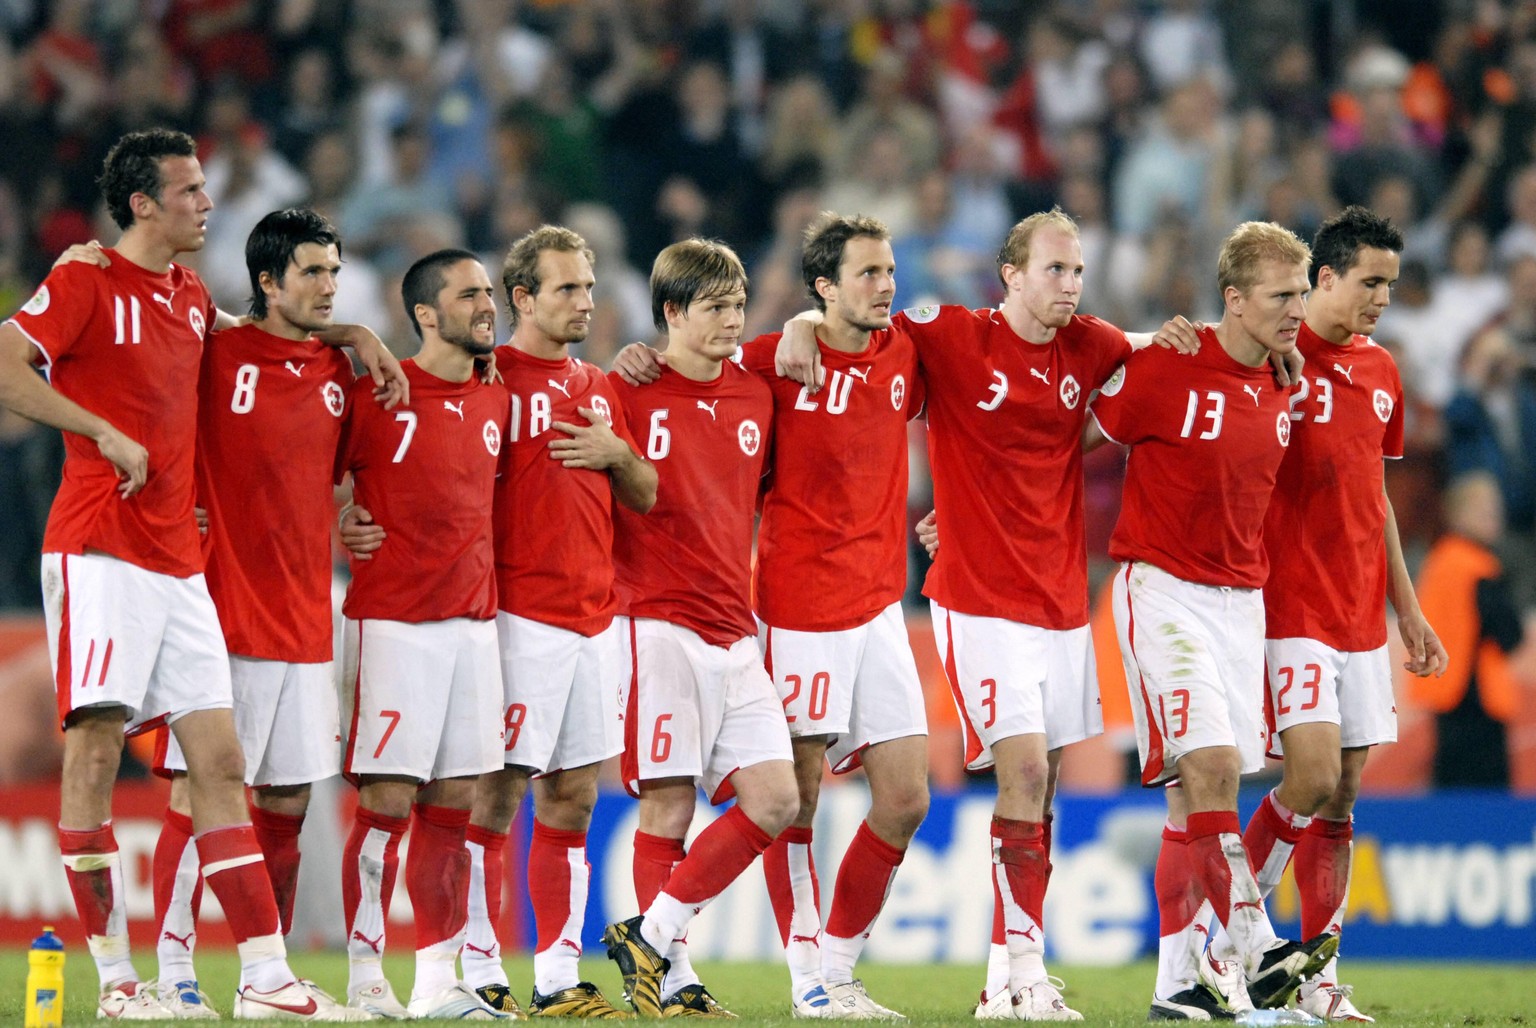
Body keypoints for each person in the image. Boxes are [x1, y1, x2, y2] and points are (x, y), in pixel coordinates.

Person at [774, 208, 1208, 1020]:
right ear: (1010, 275)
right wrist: (802, 317)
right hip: (976, 597)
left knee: (1035, 800)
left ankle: (1001, 982)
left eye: (1077, 272)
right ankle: (1023, 975)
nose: (1069, 287)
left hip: (1058, 600)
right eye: (1053, 271)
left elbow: (1153, 352)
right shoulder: (949, 336)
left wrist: (1191, 336)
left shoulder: (1094, 345)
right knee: (1029, 772)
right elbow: (855, 324)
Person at [0, 128, 363, 1020]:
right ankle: (121, 983)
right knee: (94, 749)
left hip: (176, 562)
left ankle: (268, 978)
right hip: (98, 549)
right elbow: (6, 365)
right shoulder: (85, 278)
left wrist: (347, 329)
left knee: (221, 762)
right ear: (143, 205)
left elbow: (259, 337)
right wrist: (98, 430)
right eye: (191, 190)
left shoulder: (190, 295)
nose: (207, 202)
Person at [616, 212, 929, 1019]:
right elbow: (690, 380)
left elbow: (977, 428)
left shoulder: (904, 351)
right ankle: (811, 981)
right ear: (824, 286)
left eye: (890, 271)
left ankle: (835, 962)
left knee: (906, 799)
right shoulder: (769, 366)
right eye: (868, 273)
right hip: (795, 605)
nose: (886, 286)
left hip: (881, 603)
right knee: (798, 794)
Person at [1196, 206, 1447, 1022]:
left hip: (1356, 614)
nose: (1382, 298)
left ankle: (1319, 980)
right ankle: (1230, 944)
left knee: (1341, 794)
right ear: (1325, 278)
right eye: (1370, 281)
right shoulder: (1270, 355)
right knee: (1306, 777)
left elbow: (1375, 498)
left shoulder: (1381, 371)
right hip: (1286, 599)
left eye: (1393, 285)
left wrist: (1406, 611)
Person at [1091, 221, 1340, 1017]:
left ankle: (1174, 985)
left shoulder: (1282, 379)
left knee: (1192, 797)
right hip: (1163, 590)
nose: (1297, 310)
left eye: (1301, 294)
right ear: (1233, 300)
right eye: (1281, 296)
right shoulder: (1165, 365)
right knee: (1213, 769)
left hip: (1243, 602)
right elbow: (1076, 416)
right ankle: (1256, 945)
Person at [406, 225, 655, 1019]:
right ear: (522, 297)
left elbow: (646, 494)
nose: (586, 301)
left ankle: (556, 976)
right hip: (519, 617)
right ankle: (478, 966)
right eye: (568, 288)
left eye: (589, 286)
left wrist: (617, 452)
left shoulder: (597, 383)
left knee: (573, 799)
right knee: (497, 794)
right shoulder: (490, 379)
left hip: (596, 619)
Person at [146, 208, 359, 1019]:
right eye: (310, 271)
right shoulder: (212, 352)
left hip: (306, 619)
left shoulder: (343, 374)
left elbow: (350, 476)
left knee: (287, 807)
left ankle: (260, 982)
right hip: (217, 612)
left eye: (333, 272)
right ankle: (170, 972)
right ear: (267, 281)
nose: (327, 285)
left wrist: (357, 339)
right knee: (195, 797)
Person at [598, 238, 798, 1017]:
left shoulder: (757, 396)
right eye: (714, 307)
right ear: (673, 313)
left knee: (776, 799)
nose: (731, 321)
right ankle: (675, 982)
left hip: (733, 626)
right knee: (669, 808)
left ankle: (649, 935)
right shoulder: (627, 388)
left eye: (738, 306)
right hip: (654, 620)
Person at [333, 248, 510, 1020]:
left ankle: (440, 982)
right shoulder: (376, 393)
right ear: (426, 314)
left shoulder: (497, 394)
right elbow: (303, 470)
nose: (487, 304)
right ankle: (366, 977)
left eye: (489, 293)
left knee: (453, 804)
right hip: (395, 625)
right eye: (469, 294)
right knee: (387, 801)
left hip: (473, 628)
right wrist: (339, 520)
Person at [1410, 473, 1523, 787]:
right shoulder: (1479, 568)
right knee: (1487, 794)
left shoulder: (1439, 561)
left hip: (1446, 690)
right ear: (1458, 515)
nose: (1493, 519)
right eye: (1484, 511)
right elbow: (1510, 634)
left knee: (1449, 786)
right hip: (1478, 695)